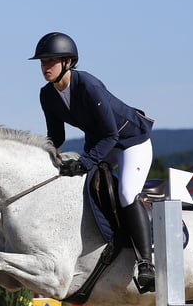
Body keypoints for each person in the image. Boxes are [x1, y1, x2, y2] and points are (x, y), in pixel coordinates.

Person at [30, 32, 156, 292]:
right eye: (42, 62)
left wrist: (86, 162)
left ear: (68, 62)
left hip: (131, 141)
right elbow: (57, 136)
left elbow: (112, 134)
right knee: (82, 186)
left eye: (51, 61)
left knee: (126, 192)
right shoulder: (47, 95)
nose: (45, 67)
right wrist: (46, 160)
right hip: (101, 142)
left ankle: (146, 263)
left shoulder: (88, 86)